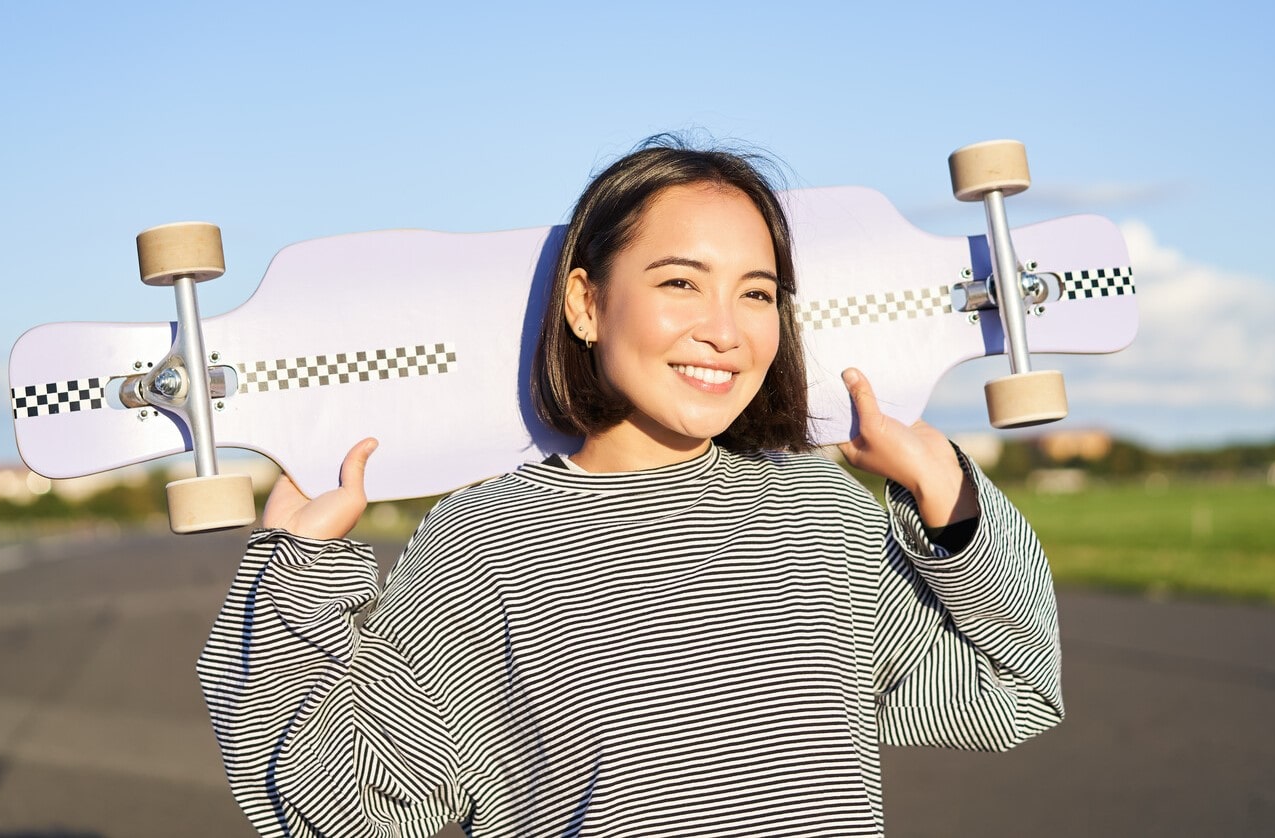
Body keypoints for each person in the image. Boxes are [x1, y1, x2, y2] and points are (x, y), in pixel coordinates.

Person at [197, 139, 1064, 837]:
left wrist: (944, 493)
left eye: (756, 293)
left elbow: (1014, 686)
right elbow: (345, 810)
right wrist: (298, 573)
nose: (724, 330)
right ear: (585, 304)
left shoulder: (816, 512)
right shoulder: (486, 539)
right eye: (680, 282)